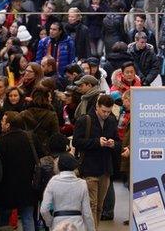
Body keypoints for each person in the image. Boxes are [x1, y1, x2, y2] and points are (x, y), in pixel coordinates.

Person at [72, 94, 120, 228]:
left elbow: (118, 142)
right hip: (89, 168)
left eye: (109, 111)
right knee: (91, 205)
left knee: (99, 205)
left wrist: (113, 144)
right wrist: (96, 142)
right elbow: (76, 141)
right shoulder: (85, 120)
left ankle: (95, 228)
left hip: (105, 169)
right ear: (97, 107)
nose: (106, 114)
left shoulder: (111, 120)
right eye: (104, 111)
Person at [0, 111, 38, 231]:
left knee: (4, 220)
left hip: (6, 188)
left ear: (8, 125)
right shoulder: (31, 137)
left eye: (3, 121)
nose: (1, 123)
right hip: (28, 186)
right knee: (28, 218)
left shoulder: (1, 142)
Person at [40, 153, 95, 231]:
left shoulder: (53, 182)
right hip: (78, 225)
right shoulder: (82, 184)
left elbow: (44, 209)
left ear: (58, 166)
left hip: (58, 224)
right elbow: (87, 213)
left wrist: (50, 222)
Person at [20, 86, 59, 154]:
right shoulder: (52, 115)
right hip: (45, 150)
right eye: (49, 97)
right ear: (46, 99)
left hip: (26, 149)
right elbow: (56, 136)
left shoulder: (23, 114)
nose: (51, 99)